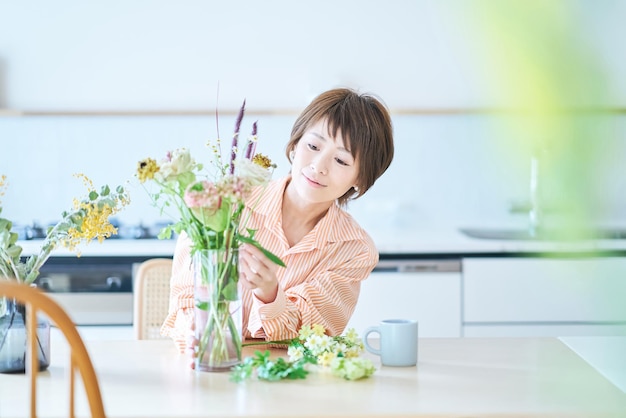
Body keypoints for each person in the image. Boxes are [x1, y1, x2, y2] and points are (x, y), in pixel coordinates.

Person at [160, 87, 395, 354]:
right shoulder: (223, 205)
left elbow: (313, 337)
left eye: (341, 160)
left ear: (360, 180)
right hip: (212, 365)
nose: (319, 165)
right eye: (313, 146)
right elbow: (186, 300)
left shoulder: (354, 249)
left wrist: (271, 294)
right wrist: (195, 334)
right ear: (294, 145)